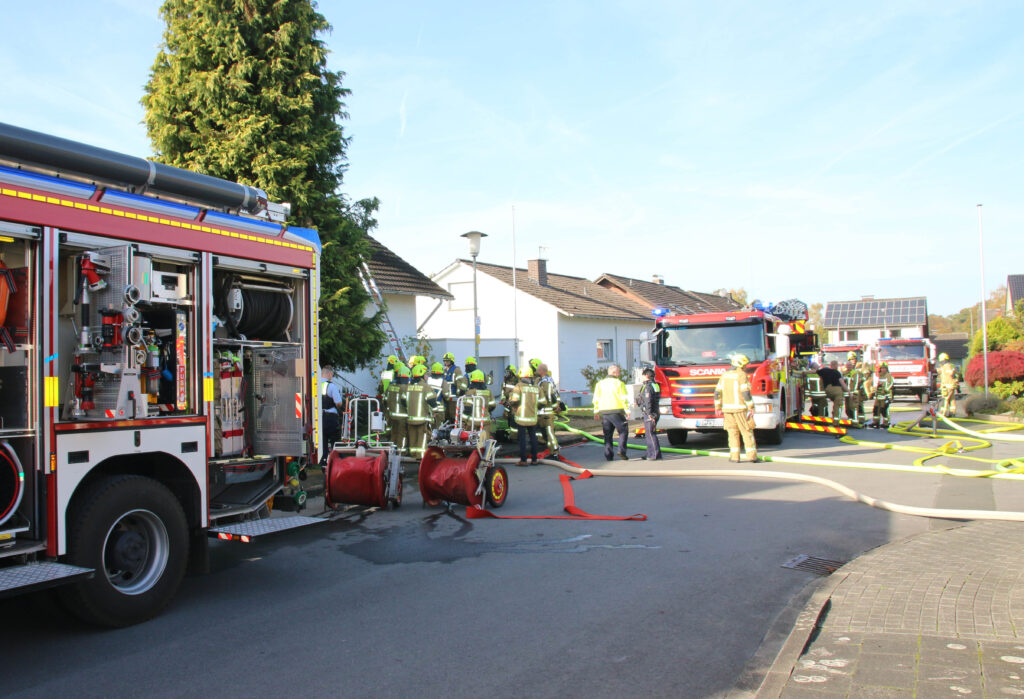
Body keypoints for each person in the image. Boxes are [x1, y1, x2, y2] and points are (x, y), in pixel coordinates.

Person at [714, 354, 757, 462]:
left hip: (727, 410)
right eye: (745, 364)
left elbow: (717, 392)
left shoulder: (724, 375)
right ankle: (751, 456)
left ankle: (734, 457)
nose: (747, 366)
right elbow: (745, 392)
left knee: (732, 433)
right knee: (746, 432)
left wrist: (718, 406)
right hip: (740, 409)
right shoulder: (741, 375)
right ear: (741, 364)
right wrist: (751, 406)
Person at [509, 365, 545, 465]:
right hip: (533, 418)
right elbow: (543, 402)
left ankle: (523, 460)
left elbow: (514, 400)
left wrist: (513, 406)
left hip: (521, 418)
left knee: (522, 440)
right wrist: (535, 408)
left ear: (521, 376)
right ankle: (534, 459)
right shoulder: (537, 388)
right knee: (533, 438)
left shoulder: (519, 386)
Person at [593, 364, 630, 461]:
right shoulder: (619, 383)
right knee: (623, 431)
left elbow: (596, 398)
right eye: (618, 372)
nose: (619, 374)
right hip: (617, 411)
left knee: (607, 434)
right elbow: (624, 399)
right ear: (614, 373)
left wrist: (596, 412)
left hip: (604, 412)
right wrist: (627, 410)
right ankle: (621, 451)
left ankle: (608, 455)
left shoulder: (599, 384)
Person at [405, 364, 434, 458]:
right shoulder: (426, 387)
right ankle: (421, 457)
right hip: (422, 419)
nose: (427, 376)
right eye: (426, 374)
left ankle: (413, 456)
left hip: (410, 419)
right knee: (422, 438)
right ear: (422, 375)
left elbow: (403, 400)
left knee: (412, 438)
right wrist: (435, 412)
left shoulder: (408, 387)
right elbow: (432, 401)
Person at [635, 367, 663, 460]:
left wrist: (649, 413)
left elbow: (648, 401)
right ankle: (650, 453)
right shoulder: (655, 385)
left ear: (646, 376)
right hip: (654, 411)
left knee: (650, 434)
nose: (642, 377)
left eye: (643, 375)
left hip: (650, 413)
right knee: (649, 434)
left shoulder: (648, 386)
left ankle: (654, 454)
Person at [463, 369, 497, 445]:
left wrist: (463, 421)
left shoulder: (469, 392)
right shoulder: (488, 392)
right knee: (484, 443)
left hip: (472, 422)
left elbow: (467, 409)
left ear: (472, 380)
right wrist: (487, 411)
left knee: (470, 441)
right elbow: (493, 405)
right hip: (485, 421)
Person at [535, 363, 561, 457]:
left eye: (537, 369)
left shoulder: (545, 382)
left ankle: (554, 452)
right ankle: (551, 451)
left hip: (546, 412)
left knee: (550, 433)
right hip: (543, 412)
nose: (536, 371)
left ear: (542, 371)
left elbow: (550, 397)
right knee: (546, 433)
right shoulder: (545, 380)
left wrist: (555, 407)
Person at [320, 364, 344, 463]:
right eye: (332, 374)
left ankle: (323, 462)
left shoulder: (314, 385)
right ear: (330, 374)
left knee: (323, 442)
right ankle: (338, 462)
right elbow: (338, 403)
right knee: (336, 441)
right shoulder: (331, 386)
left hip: (319, 417)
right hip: (330, 418)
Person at [385, 363, 410, 453]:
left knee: (394, 434)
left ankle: (392, 450)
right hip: (402, 416)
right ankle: (401, 451)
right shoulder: (405, 388)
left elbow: (386, 399)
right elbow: (406, 402)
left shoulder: (391, 386)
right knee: (402, 435)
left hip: (392, 415)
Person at [868, 363, 895, 428]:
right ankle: (876, 422)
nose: (883, 370)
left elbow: (890, 384)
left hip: (885, 396)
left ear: (887, 369)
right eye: (882, 368)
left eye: (884, 368)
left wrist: (885, 390)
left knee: (884, 410)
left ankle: (886, 423)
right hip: (879, 396)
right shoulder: (880, 376)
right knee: (876, 409)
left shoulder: (888, 375)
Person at [937, 353, 961, 417]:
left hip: (948, 386)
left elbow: (950, 373)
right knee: (952, 400)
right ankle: (952, 413)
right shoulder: (946, 366)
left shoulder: (947, 366)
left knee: (945, 399)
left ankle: (943, 413)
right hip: (949, 386)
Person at [440, 352, 462, 422]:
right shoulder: (444, 371)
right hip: (445, 397)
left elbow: (460, 383)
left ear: (451, 361)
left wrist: (458, 395)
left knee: (453, 415)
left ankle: (454, 429)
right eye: (445, 361)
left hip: (453, 397)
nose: (446, 362)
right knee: (446, 415)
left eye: (447, 361)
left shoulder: (456, 370)